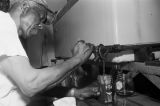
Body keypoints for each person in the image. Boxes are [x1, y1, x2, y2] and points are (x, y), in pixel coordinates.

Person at [0, 0, 97, 106]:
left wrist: (73, 92)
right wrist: (78, 59)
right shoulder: (4, 24)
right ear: (24, 7)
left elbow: (32, 86)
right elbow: (31, 84)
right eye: (40, 19)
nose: (38, 29)